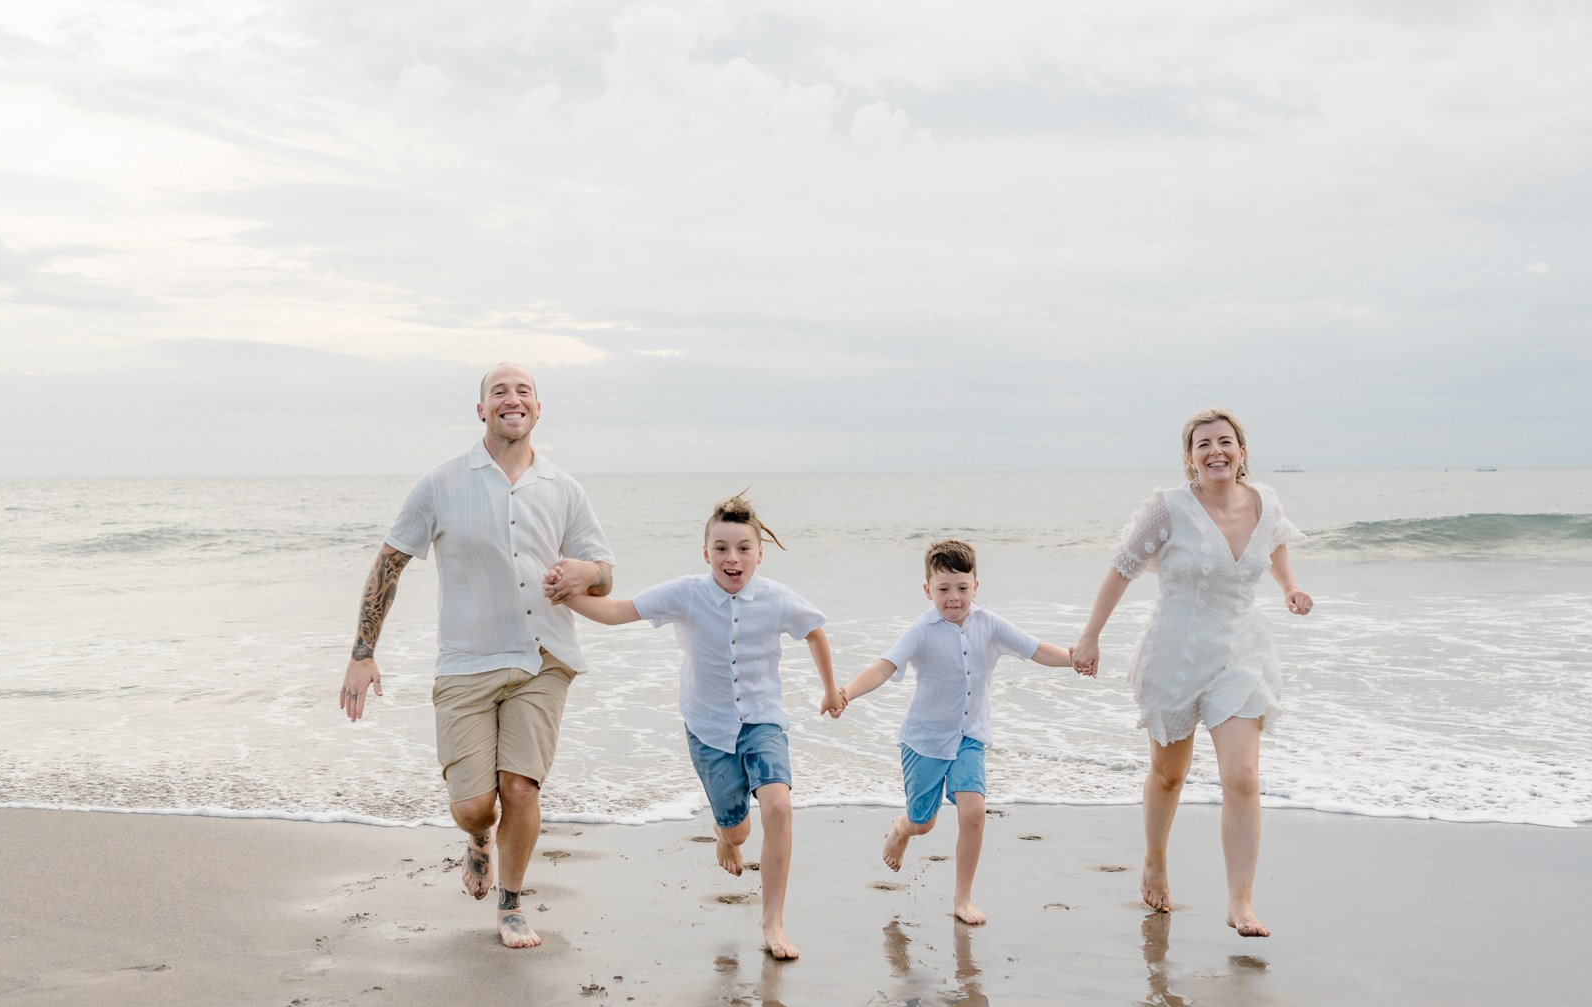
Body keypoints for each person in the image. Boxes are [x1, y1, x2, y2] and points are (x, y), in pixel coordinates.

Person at [338, 363, 614, 950]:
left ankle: (512, 903)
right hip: (466, 662)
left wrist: (585, 571)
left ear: (538, 408)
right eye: (499, 391)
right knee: (473, 806)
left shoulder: (564, 489)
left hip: (543, 658)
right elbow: (390, 562)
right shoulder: (441, 483)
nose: (512, 399)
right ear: (481, 410)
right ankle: (478, 841)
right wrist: (363, 653)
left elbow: (604, 573)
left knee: (521, 788)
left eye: (523, 391)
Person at [560, 493, 839, 960]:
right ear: (705, 552)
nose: (733, 558)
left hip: (763, 720)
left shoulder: (776, 598)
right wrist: (565, 595)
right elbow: (617, 611)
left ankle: (773, 922)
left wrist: (830, 690)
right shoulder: (686, 594)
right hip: (708, 727)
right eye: (722, 548)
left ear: (759, 553)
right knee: (739, 834)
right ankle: (723, 832)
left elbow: (814, 631)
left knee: (779, 808)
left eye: (744, 547)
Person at [1070, 409, 1311, 937]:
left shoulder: (1266, 501)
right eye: (1204, 444)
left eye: (1226, 442)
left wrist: (1289, 586)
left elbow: (1275, 543)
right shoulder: (1169, 508)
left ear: (1242, 452)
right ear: (1190, 457)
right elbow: (1121, 569)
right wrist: (1091, 636)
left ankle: (1240, 902)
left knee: (1242, 777)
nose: (1216, 451)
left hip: (1239, 654)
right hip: (1175, 657)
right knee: (1169, 774)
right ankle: (1155, 859)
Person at [841, 539, 1074, 926]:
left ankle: (962, 898)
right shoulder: (920, 630)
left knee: (974, 812)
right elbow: (884, 667)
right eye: (943, 589)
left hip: (969, 736)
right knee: (924, 822)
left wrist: (1073, 659)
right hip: (925, 741)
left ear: (976, 587)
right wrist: (847, 692)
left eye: (962, 588)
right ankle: (902, 828)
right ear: (927, 590)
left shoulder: (990, 624)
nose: (954, 597)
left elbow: (1036, 650)